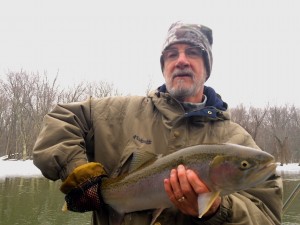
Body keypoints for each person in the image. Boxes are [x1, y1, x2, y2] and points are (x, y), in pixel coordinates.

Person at [33, 21, 282, 225]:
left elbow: (268, 218)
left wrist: (218, 209)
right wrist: (81, 176)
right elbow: (61, 119)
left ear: (207, 69)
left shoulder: (237, 140)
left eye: (193, 53)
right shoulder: (116, 115)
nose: (181, 60)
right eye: (172, 54)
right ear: (164, 67)